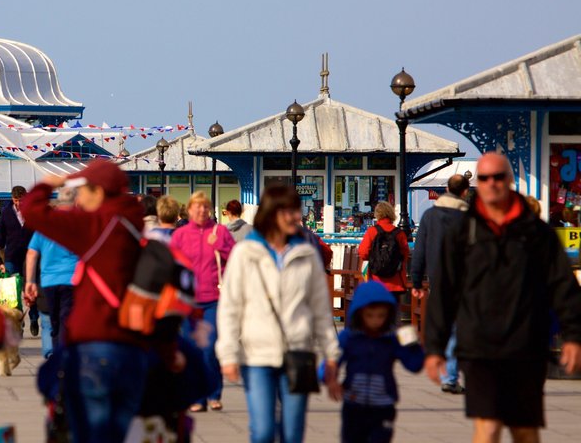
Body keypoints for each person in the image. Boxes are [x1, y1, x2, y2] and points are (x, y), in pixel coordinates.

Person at [425, 152, 581, 443]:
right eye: (485, 178)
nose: (492, 183)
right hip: (479, 347)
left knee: (524, 430)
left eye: (499, 177)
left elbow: (562, 285)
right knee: (489, 426)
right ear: (477, 185)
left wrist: (573, 336)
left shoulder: (537, 232)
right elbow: (445, 290)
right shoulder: (462, 231)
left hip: (526, 345)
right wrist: (434, 347)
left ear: (509, 181)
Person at [21, 160, 148, 442]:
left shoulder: (97, 225)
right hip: (132, 346)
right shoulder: (132, 224)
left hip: (96, 344)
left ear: (99, 192)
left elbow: (31, 210)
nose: (78, 197)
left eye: (82, 190)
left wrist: (48, 184)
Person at [216, 185, 341, 443]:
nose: (298, 216)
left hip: (298, 352)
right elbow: (230, 307)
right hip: (257, 355)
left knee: (292, 434)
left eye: (298, 210)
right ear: (273, 214)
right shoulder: (246, 253)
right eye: (290, 211)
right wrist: (227, 353)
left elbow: (320, 309)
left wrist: (331, 355)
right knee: (262, 432)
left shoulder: (306, 254)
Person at [332, 281, 424, 443]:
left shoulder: (392, 340)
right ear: (359, 314)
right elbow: (332, 360)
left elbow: (413, 365)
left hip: (383, 406)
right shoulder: (350, 338)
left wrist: (414, 346)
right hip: (354, 405)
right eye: (370, 315)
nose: (375, 321)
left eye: (381, 316)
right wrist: (328, 377)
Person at [171, 191, 235, 412]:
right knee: (191, 350)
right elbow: (172, 266)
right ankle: (196, 397)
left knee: (208, 347)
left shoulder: (221, 232)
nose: (201, 211)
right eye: (197, 207)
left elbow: (236, 258)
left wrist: (220, 246)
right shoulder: (180, 236)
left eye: (205, 207)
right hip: (187, 301)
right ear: (188, 210)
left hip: (214, 298)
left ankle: (213, 394)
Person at [410, 173, 469, 394]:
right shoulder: (469, 217)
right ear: (465, 192)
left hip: (437, 280)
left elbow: (420, 251)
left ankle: (449, 375)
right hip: (464, 281)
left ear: (446, 188)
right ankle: (451, 375)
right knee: (456, 328)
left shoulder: (429, 216)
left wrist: (416, 280)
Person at [23, 187, 79, 351]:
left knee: (54, 320)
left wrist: (30, 282)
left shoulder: (45, 226)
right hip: (72, 279)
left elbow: (32, 254)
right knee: (67, 320)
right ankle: (64, 353)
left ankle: (57, 354)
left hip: (49, 281)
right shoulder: (79, 224)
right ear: (75, 202)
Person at [0, 186, 38, 335]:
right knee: (12, 291)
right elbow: (0, 234)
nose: (19, 203)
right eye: (16, 200)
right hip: (11, 255)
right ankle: (18, 322)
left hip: (29, 255)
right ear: (12, 199)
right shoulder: (7, 213)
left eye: (21, 200)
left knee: (29, 287)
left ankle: (33, 317)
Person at [357, 202, 410, 301]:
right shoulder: (399, 233)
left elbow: (363, 253)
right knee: (393, 313)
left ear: (377, 214)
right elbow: (405, 254)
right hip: (396, 282)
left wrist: (375, 259)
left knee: (377, 312)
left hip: (376, 281)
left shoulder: (372, 231)